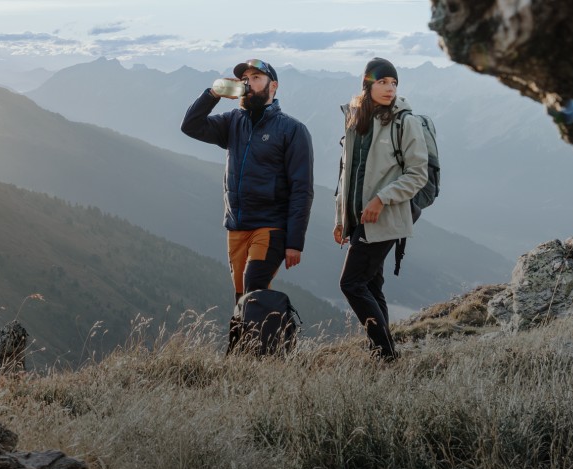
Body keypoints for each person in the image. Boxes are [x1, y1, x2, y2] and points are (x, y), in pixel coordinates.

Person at [181, 59, 314, 307]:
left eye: (256, 78)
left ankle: (265, 345)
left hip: (270, 226)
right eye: (245, 79)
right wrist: (213, 94)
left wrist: (295, 242)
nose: (248, 83)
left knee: (254, 289)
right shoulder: (233, 122)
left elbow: (302, 189)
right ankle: (244, 346)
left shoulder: (292, 130)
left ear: (272, 86)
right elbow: (190, 126)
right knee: (241, 298)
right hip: (237, 226)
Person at [334, 58, 428, 362]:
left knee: (351, 283)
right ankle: (384, 353)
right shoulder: (355, 118)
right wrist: (341, 219)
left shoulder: (404, 121)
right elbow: (346, 173)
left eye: (394, 83)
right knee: (371, 285)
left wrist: (381, 199)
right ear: (367, 84)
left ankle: (386, 355)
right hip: (359, 218)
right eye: (382, 82)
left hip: (385, 216)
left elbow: (417, 174)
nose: (389, 88)